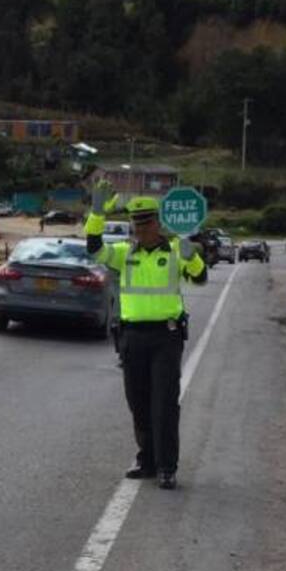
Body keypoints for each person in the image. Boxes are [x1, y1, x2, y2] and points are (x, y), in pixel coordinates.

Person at [85, 187, 207, 490]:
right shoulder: (123, 255)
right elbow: (93, 247)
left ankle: (167, 467)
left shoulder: (177, 250)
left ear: (158, 222)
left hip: (166, 338)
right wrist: (97, 214)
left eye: (148, 221)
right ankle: (147, 460)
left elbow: (201, 278)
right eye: (137, 223)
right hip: (132, 337)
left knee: (164, 404)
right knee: (138, 403)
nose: (143, 228)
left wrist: (192, 259)